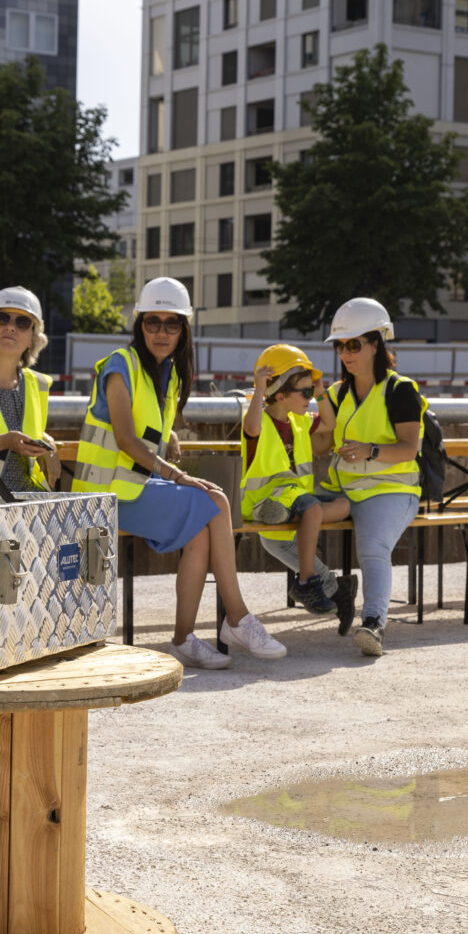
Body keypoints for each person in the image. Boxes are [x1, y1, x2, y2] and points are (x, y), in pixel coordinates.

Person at [72, 277, 284, 669]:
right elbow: (125, 440)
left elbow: (144, 426)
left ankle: (184, 639)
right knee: (217, 500)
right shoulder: (120, 366)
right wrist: (177, 475)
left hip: (133, 489)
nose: (162, 332)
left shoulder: (166, 374)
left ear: (183, 329)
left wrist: (166, 434)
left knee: (200, 535)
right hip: (104, 498)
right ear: (140, 324)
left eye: (172, 323)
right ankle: (237, 617)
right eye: (153, 322)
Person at [316, 298, 425, 658]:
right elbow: (319, 446)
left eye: (354, 344)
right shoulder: (334, 393)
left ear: (376, 344)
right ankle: (335, 589)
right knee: (283, 522)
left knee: (373, 547)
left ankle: (374, 623)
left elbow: (409, 449)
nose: (345, 354)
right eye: (340, 346)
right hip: (343, 491)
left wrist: (370, 450)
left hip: (392, 491)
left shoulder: (401, 389)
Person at [239, 344, 358, 634]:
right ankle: (306, 581)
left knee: (344, 505)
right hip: (266, 498)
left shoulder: (300, 421)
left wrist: (320, 391)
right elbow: (251, 427)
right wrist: (259, 389)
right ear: (280, 396)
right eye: (304, 393)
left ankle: (335, 586)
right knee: (312, 510)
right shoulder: (259, 420)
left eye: (310, 392)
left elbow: (329, 423)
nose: (310, 398)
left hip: (295, 498)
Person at [0, 286, 61, 492]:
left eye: (22, 322)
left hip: (29, 500)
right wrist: (5, 442)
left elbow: (31, 429)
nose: (11, 327)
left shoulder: (38, 384)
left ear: (32, 340)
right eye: (2, 319)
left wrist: (47, 444)